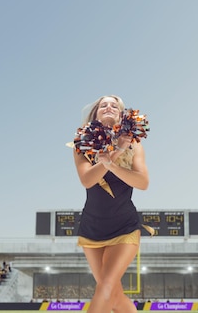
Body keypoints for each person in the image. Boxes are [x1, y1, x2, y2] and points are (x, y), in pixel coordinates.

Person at [72, 95, 149, 313]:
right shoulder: (81, 143)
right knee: (113, 296)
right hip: (91, 229)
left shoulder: (134, 144)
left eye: (114, 106)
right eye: (103, 105)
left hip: (125, 227)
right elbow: (87, 180)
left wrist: (114, 161)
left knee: (105, 289)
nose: (108, 107)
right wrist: (115, 154)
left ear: (122, 115)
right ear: (95, 113)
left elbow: (143, 183)